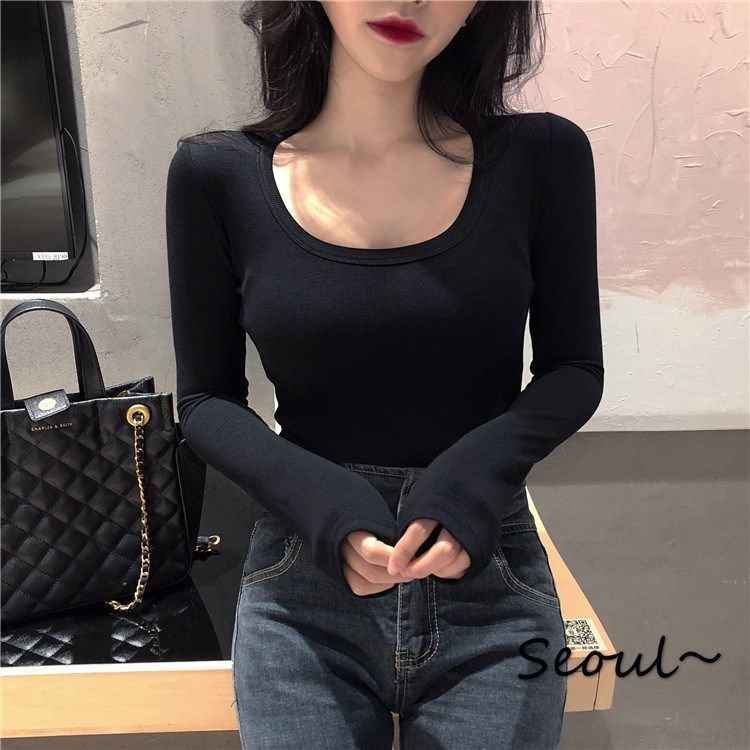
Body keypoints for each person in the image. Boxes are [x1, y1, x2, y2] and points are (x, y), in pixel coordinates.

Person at [165, 1, 604, 747]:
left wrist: (472, 478)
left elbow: (574, 369)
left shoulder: (543, 156)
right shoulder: (216, 174)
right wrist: (324, 501)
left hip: (488, 574)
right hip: (305, 582)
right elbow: (207, 400)